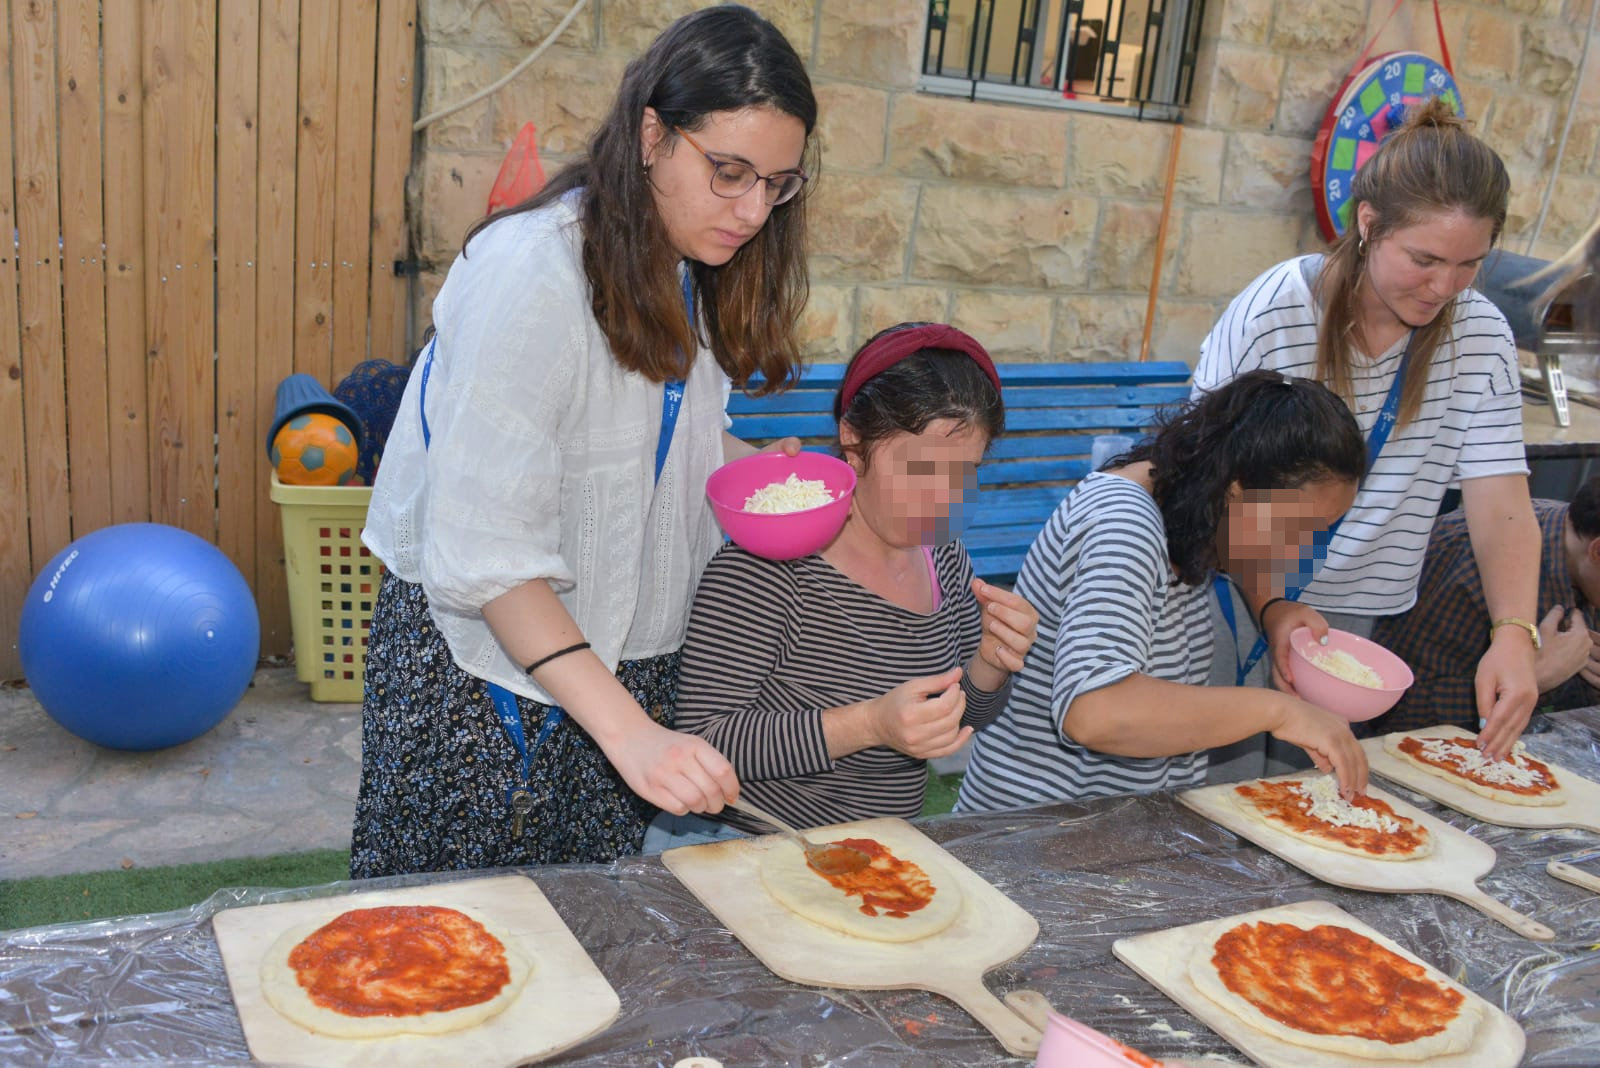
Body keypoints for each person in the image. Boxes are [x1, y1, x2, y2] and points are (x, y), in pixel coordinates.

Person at [350, 5, 817, 877]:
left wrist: (757, 473)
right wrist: (631, 734)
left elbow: (642, 443)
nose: (754, 209)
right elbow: (488, 554)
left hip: (616, 663)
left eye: (778, 184)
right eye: (728, 172)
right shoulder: (530, 273)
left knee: (590, 928)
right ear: (652, 135)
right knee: (446, 934)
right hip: (485, 683)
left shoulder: (687, 266)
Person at [1194, 98, 1540, 763]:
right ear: (1369, 223)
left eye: (1470, 264)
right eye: (1424, 258)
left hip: (1350, 625)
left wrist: (1514, 633)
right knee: (1205, 795)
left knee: (1309, 801)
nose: (1444, 286)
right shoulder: (1275, 310)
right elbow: (1206, 482)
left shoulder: (1482, 335)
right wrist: (1269, 604)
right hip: (1228, 599)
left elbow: (1501, 506)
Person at [665, 323, 1039, 841]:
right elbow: (703, 738)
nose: (942, 499)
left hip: (880, 852)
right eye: (920, 469)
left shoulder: (944, 558)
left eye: (963, 472)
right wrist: (868, 724)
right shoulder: (772, 563)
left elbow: (959, 719)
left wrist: (990, 663)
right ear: (853, 440)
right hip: (753, 847)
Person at [955, 371, 1370, 812]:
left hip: (1110, 821)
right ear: (1237, 489)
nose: (1305, 551)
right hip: (1038, 827)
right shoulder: (1124, 526)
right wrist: (1279, 712)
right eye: (1300, 527)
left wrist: (1273, 609)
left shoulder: (1189, 509)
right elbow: (1094, 712)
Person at [1366, 476, 1600, 735]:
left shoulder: (1577, 546)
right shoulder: (1469, 566)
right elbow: (1395, 712)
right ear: (1597, 551)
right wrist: (1535, 676)